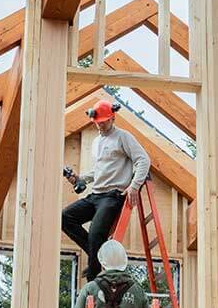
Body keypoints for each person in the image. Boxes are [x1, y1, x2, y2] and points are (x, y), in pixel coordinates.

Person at [61, 99, 151, 281]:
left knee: (96, 233)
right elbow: (100, 170)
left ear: (112, 118)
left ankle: (93, 279)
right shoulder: (97, 142)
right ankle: (98, 256)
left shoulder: (123, 137)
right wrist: (81, 178)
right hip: (95, 195)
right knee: (65, 218)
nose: (100, 126)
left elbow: (143, 160)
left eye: (103, 123)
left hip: (112, 196)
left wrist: (134, 186)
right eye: (97, 124)